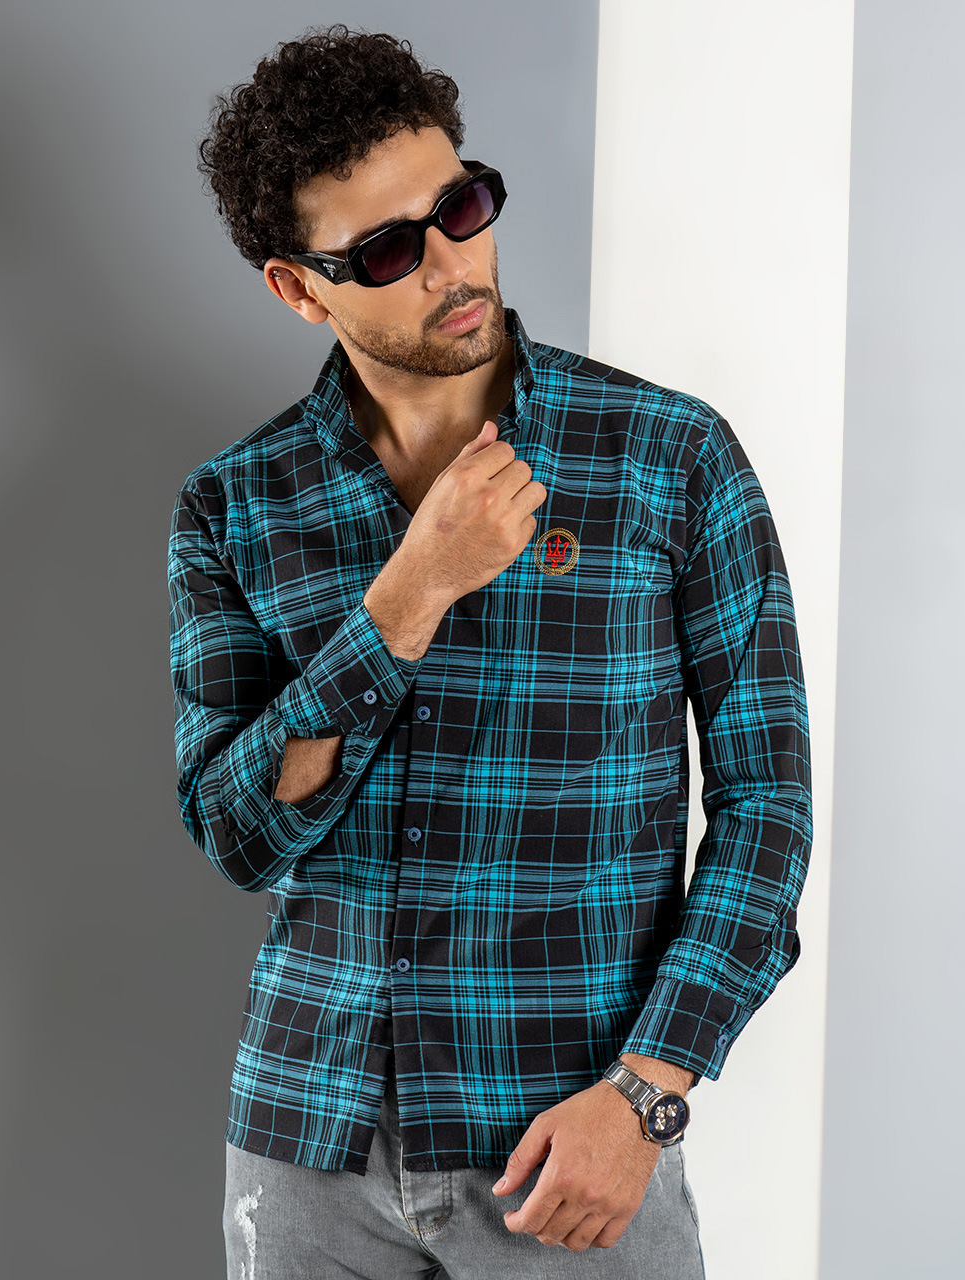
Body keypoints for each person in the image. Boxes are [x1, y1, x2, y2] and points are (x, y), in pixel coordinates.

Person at [169, 23, 812, 1280]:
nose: (450, 265)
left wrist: (646, 1093)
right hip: (307, 1145)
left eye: (459, 208)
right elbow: (238, 831)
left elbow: (765, 811)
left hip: (565, 1144)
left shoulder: (667, 458)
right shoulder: (237, 503)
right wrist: (404, 598)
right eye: (386, 250)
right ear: (297, 288)